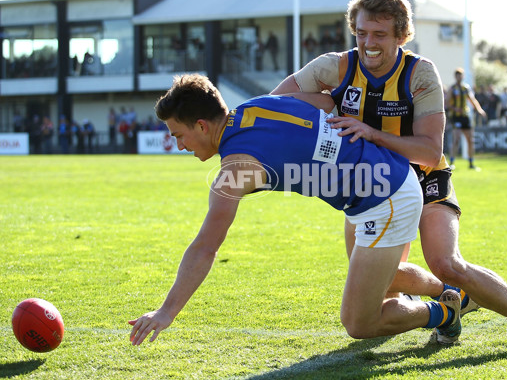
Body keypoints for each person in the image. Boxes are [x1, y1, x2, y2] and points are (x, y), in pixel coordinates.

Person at [270, 0, 507, 351]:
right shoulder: (334, 66)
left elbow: (430, 153)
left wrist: (370, 133)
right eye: (362, 33)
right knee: (379, 284)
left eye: (380, 35)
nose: (369, 43)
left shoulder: (420, 73)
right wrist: (323, 104)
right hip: (372, 186)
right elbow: (277, 103)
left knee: (447, 262)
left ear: (402, 36)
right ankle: (452, 303)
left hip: (424, 178)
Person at [128, 73, 464, 347]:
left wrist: (166, 311)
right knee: (381, 275)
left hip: (384, 192)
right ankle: (451, 292)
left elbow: (205, 247)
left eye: (179, 135)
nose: (179, 145)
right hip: (379, 185)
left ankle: (444, 314)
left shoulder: (234, 170)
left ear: (201, 125)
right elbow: (323, 101)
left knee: (359, 322)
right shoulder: (257, 105)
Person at [447, 68, 486, 170]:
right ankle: (451, 162)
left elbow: (472, 100)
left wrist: (479, 110)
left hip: (465, 116)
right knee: (457, 139)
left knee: (470, 140)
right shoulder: (452, 89)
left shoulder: (466, 88)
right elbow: (447, 103)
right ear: (455, 77)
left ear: (463, 76)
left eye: (461, 75)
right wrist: (455, 109)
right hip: (456, 116)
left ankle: (471, 163)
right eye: (457, 75)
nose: (459, 77)